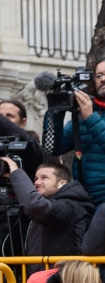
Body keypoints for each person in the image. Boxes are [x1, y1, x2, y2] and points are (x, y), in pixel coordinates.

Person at [49, 57, 105, 205]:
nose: (103, 79)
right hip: (84, 200)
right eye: (99, 75)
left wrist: (90, 117)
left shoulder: (88, 114)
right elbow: (53, 148)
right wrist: (56, 113)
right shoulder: (87, 113)